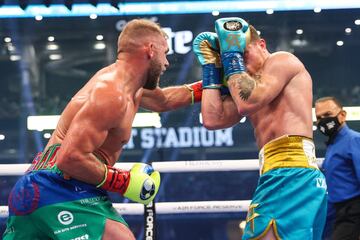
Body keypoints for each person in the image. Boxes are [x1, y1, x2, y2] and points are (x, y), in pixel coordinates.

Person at [2, 18, 197, 240]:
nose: (167, 63)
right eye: (166, 52)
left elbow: (165, 100)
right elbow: (70, 158)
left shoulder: (127, 85)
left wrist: (212, 84)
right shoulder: (112, 93)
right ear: (151, 50)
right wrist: (124, 182)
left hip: (36, 188)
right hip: (61, 187)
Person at [194, 17, 327, 239]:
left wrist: (230, 57)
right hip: (281, 175)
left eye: (243, 53)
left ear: (261, 44)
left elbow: (248, 102)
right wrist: (211, 66)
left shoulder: (282, 61)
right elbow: (212, 119)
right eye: (235, 58)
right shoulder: (248, 85)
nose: (241, 63)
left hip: (290, 173)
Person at [315, 96, 360, 240]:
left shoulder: (354, 139)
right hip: (337, 210)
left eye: (327, 115)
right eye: (319, 117)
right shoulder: (333, 145)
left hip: (353, 209)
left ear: (342, 115)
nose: (323, 120)